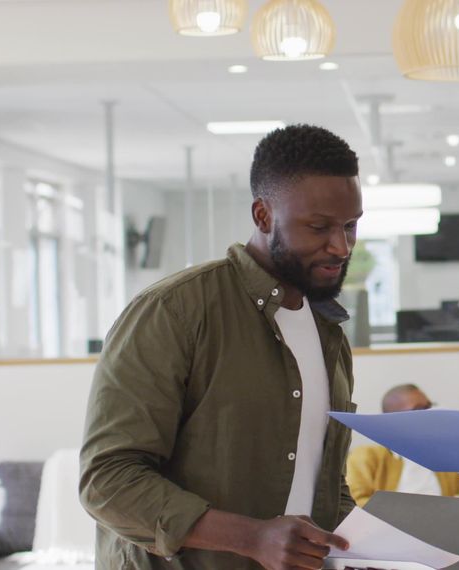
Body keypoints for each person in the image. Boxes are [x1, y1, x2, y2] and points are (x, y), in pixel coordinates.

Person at [80, 124, 365, 570]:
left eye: (350, 226)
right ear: (263, 216)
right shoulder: (173, 311)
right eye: (319, 227)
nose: (341, 246)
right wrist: (252, 538)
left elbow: (321, 481)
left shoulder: (328, 330)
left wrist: (381, 548)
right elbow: (107, 481)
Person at [345, 384, 459, 505]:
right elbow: (354, 502)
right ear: (391, 421)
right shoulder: (367, 456)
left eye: (429, 407)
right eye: (419, 409)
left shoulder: (444, 460)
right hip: (386, 523)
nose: (429, 414)